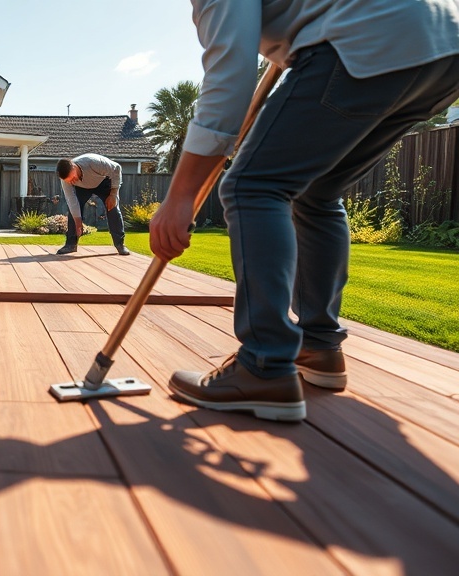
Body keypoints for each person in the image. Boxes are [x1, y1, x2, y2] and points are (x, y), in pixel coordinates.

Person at [149, 0, 459, 421]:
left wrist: (180, 195)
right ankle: (318, 346)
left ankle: (265, 365)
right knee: (318, 192)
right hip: (442, 41)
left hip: (364, 36)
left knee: (251, 185)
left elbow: (230, 77)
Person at [55, 154, 130, 256]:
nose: (71, 181)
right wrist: (78, 223)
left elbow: (116, 168)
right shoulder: (66, 180)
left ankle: (120, 244)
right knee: (73, 211)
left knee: (113, 208)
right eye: (69, 181)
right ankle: (71, 244)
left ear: (74, 167)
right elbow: (71, 200)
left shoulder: (93, 162)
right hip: (81, 187)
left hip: (103, 182)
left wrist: (113, 194)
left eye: (72, 178)